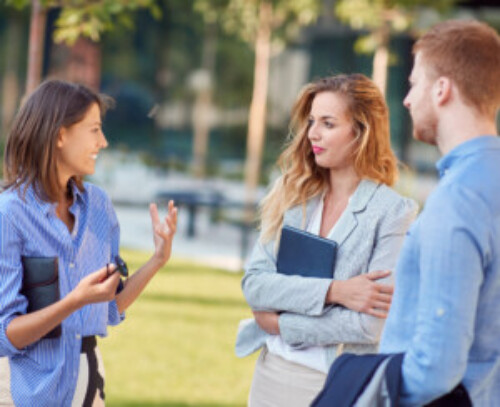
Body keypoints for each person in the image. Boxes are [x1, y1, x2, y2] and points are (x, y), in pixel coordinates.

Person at [235, 73, 417, 407]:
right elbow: (256, 286)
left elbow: (367, 326)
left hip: (334, 385)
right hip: (270, 375)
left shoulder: (392, 213)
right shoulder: (291, 193)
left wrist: (278, 323)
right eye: (311, 121)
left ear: (361, 132)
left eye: (328, 124)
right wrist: (337, 292)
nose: (312, 134)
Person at [0, 79, 178, 406]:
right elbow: (5, 334)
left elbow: (109, 305)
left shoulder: (98, 206)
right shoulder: (10, 214)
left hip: (87, 386)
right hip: (25, 390)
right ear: (60, 134)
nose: (104, 142)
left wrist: (157, 260)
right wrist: (74, 301)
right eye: (94, 130)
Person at [379, 20, 500, 405]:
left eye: (414, 84)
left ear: (442, 89)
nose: (407, 99)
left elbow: (436, 367)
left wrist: (372, 395)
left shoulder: (458, 198)